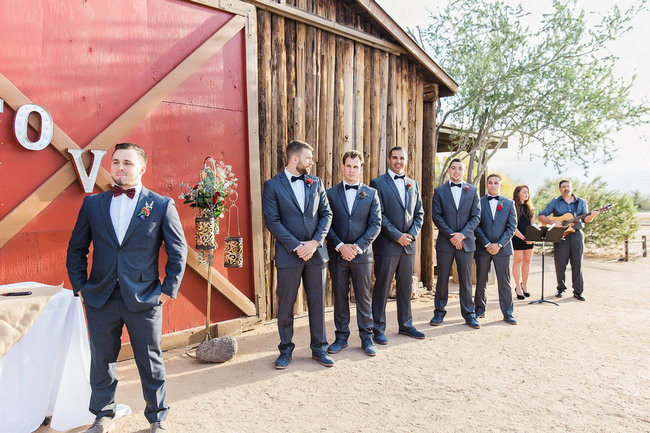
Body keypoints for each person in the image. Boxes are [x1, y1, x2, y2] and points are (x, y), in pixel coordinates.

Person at [66, 143, 188, 433]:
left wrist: (167, 290)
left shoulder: (160, 205)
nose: (121, 167)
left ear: (142, 168)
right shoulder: (92, 204)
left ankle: (157, 418)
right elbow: (76, 249)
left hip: (145, 297)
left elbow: (178, 251)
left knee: (150, 360)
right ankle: (102, 416)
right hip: (100, 296)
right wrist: (80, 286)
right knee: (102, 360)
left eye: (128, 163)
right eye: (117, 162)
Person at [262, 140, 334, 369]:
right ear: (295, 159)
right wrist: (296, 246)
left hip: (316, 253)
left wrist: (314, 243)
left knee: (317, 304)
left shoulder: (317, 183)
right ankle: (285, 350)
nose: (311, 162)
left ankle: (319, 348)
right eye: (308, 158)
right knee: (285, 306)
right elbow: (272, 221)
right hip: (288, 255)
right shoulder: (272, 186)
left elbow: (326, 214)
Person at [326, 150, 382, 356]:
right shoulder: (330, 193)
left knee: (363, 297)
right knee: (340, 297)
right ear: (342, 167)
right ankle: (341, 337)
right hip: (338, 254)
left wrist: (357, 247)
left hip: (362, 255)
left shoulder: (371, 194)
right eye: (348, 166)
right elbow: (326, 223)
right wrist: (340, 246)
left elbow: (376, 224)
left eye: (355, 166)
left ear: (361, 168)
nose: (351, 170)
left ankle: (367, 338)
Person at [369, 146, 425, 344]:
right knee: (382, 287)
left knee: (405, 286)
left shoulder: (413, 184)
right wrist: (396, 235)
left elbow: (419, 213)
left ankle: (406, 325)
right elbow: (378, 214)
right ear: (389, 159)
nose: (399, 161)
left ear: (406, 161)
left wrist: (410, 235)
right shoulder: (378, 183)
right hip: (387, 244)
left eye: (402, 158)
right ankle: (377, 328)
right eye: (395, 158)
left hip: (408, 245)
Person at [430, 158, 481, 329]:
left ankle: (469, 314)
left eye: (460, 169)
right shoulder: (439, 191)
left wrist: (462, 235)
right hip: (445, 242)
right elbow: (436, 216)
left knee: (465, 280)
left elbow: (476, 217)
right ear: (449, 171)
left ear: (463, 171)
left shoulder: (473, 191)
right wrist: (452, 235)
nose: (456, 171)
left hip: (466, 243)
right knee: (442, 279)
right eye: (454, 168)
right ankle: (439, 312)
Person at [538, 180, 599, 301]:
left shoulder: (581, 202)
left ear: (571, 188)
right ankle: (560, 289)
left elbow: (586, 220)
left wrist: (591, 216)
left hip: (576, 234)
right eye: (563, 187)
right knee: (560, 264)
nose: (566, 188)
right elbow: (541, 216)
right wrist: (552, 222)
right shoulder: (555, 202)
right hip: (560, 235)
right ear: (560, 189)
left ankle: (578, 291)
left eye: (568, 186)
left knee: (577, 263)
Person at [473, 174, 518, 325]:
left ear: (500, 185)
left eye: (496, 183)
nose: (493, 185)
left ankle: (507, 312)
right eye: (490, 183)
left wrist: (499, 245)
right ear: (486, 185)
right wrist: (486, 244)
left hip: (502, 249)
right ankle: (479, 310)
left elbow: (511, 227)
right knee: (481, 281)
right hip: (483, 248)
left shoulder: (509, 203)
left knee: (504, 281)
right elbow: (476, 226)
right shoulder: (479, 202)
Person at [511, 185, 534, 299]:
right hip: (517, 237)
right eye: (524, 192)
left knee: (527, 261)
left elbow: (533, 225)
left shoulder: (530, 208)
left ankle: (524, 285)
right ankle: (517, 287)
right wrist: (524, 238)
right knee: (518, 260)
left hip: (529, 238)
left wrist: (532, 237)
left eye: (528, 192)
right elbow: (513, 227)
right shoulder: (513, 207)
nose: (527, 194)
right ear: (518, 193)